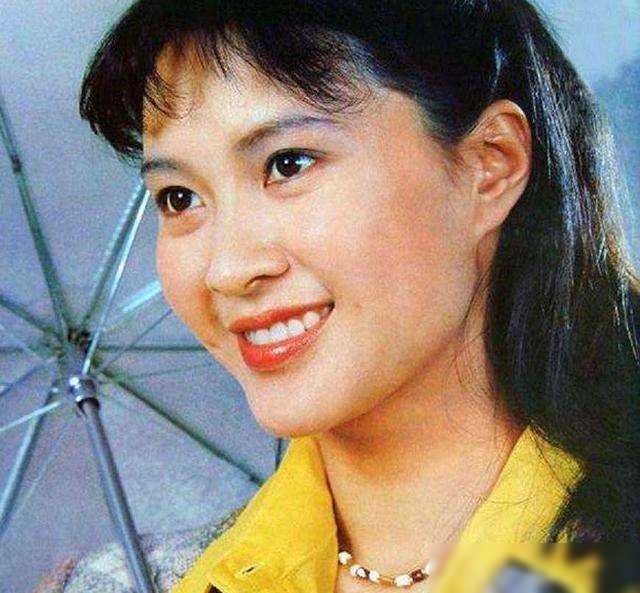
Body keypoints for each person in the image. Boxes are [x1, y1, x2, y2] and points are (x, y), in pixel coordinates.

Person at [39, 0, 640, 591]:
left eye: (288, 164)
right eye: (179, 198)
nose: (226, 270)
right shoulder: (124, 584)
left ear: (491, 165)